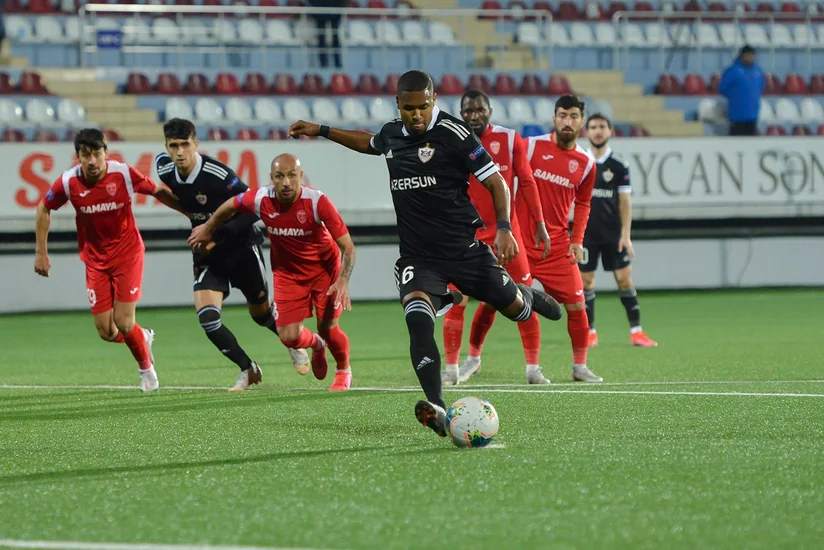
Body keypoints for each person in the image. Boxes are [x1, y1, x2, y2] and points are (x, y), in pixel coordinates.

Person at [288, 70, 564, 439]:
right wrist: (320, 129)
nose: (416, 115)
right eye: (408, 109)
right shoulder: (392, 134)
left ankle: (525, 294)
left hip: (464, 250)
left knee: (516, 309)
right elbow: (367, 142)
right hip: (418, 257)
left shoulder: (456, 134)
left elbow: (496, 180)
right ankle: (437, 406)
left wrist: (503, 228)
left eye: (423, 107)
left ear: (434, 101)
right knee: (417, 319)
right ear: (398, 105)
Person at [155, 119, 309, 392]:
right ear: (167, 147)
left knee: (261, 316)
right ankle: (248, 368)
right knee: (208, 319)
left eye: (185, 145)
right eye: (173, 146)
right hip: (207, 254)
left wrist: (213, 233)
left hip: (240, 248)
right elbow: (178, 197)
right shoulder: (165, 169)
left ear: (196, 145)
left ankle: (295, 343)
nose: (179, 152)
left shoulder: (217, 174)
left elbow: (251, 209)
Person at [189, 154, 356, 391]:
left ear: (300, 176)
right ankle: (317, 345)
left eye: (291, 176)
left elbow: (347, 246)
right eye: (280, 176)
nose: (286, 182)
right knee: (288, 336)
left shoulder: (317, 202)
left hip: (324, 271)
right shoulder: (260, 198)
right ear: (272, 179)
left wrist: (343, 280)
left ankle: (343, 371)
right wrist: (207, 228)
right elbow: (228, 207)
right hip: (288, 274)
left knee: (327, 326)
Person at [34, 129, 184, 392]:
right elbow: (44, 207)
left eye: (96, 153)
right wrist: (41, 252)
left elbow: (158, 191)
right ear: (78, 156)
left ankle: (146, 370)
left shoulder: (123, 173)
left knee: (124, 322)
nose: (91, 161)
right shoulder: (69, 182)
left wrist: (191, 213)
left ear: (106, 152)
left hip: (127, 255)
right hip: (95, 260)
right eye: (85, 155)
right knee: (107, 331)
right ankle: (143, 336)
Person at [441, 89, 552, 386]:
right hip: (468, 238)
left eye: (479, 109)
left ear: (490, 111)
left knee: (520, 295)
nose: (474, 115)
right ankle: (453, 368)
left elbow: (527, 182)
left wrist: (539, 223)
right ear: (462, 114)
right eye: (468, 111)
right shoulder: (453, 141)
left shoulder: (509, 139)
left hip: (506, 236)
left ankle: (533, 368)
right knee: (457, 300)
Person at [520, 95, 604, 383]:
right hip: (522, 245)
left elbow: (583, 204)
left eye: (573, 116)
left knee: (578, 305)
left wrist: (577, 240)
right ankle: (532, 369)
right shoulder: (530, 146)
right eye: (562, 115)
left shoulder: (587, 163)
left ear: (582, 121)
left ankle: (579, 367)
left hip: (557, 247)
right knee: (517, 303)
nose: (567, 121)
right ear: (554, 118)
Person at [582, 114, 657, 348]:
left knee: (624, 279)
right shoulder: (580, 162)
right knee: (586, 282)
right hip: (585, 234)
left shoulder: (619, 165)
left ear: (610, 131)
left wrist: (626, 234)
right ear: (586, 132)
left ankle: (637, 332)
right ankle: (590, 332)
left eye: (602, 127)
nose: (597, 131)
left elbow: (625, 202)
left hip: (613, 233)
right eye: (593, 127)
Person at [719, 45, 765, 137]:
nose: (750, 58)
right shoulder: (733, 71)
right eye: (748, 55)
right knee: (737, 142)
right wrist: (735, 97)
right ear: (742, 55)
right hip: (737, 115)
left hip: (752, 114)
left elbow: (761, 87)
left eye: (752, 55)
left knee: (750, 142)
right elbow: (722, 88)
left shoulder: (758, 71)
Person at [307, 0, 344, 69]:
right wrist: (318, 11)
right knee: (321, 38)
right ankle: (323, 63)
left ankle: (337, 63)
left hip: (335, 11)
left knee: (335, 37)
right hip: (319, 12)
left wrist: (336, 10)